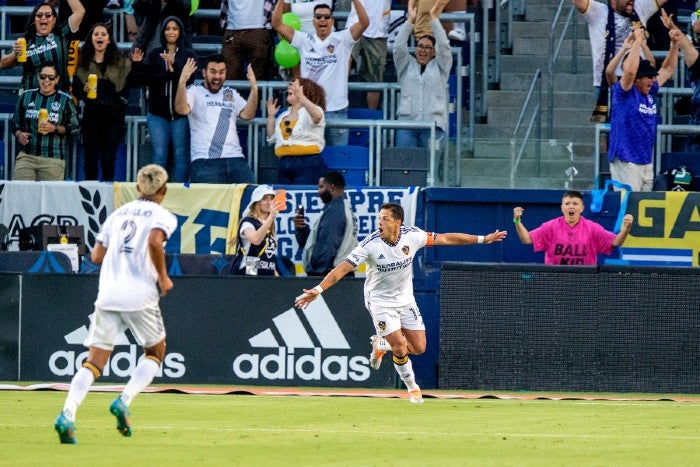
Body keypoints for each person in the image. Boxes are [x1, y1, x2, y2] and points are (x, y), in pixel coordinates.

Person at [294, 202, 507, 402]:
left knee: (419, 347)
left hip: (405, 300)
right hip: (380, 302)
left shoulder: (412, 236)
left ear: (398, 222)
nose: (380, 223)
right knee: (399, 346)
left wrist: (483, 239)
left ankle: (380, 344)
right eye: (379, 218)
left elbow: (447, 239)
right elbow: (342, 269)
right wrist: (318, 290)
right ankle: (413, 389)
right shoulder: (370, 245)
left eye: (385, 219)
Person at [54, 164, 177, 444]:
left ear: (137, 188)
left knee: (94, 362)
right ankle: (123, 400)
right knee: (156, 352)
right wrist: (163, 277)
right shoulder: (163, 215)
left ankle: (67, 414)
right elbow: (155, 241)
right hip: (140, 295)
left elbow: (96, 257)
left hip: (108, 293)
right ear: (164, 190)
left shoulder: (117, 215)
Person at [272, 0, 369, 146]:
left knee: (338, 162)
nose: (322, 20)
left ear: (332, 21)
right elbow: (277, 24)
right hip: (308, 111)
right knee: (311, 157)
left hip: (337, 111)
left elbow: (364, 23)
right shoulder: (303, 40)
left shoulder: (343, 39)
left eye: (326, 17)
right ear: (313, 22)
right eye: (318, 17)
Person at [607, 27, 678, 191]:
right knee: (628, 209)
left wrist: (674, 44)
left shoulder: (650, 90)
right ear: (638, 79)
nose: (653, 81)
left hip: (645, 159)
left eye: (654, 78)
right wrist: (638, 40)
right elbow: (630, 72)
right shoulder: (623, 92)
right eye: (649, 77)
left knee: (642, 209)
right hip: (626, 159)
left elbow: (667, 69)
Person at [572, 0, 666, 122]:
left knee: (641, 127)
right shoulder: (598, 11)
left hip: (638, 82)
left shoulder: (639, 7)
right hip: (609, 82)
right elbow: (578, 2)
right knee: (609, 132)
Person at [131, 16, 197, 183]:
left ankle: (180, 193)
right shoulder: (155, 54)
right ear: (162, 32)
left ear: (180, 31)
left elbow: (189, 80)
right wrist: (137, 64)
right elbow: (146, 79)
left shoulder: (188, 54)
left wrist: (175, 66)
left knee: (181, 156)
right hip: (158, 115)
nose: (171, 32)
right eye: (167, 28)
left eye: (175, 28)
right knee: (159, 155)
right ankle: (156, 191)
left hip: (180, 116)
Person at [174, 54, 258, 184]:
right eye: (212, 72)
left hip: (236, 159)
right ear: (204, 73)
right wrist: (182, 82)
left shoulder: (230, 93)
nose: (217, 76)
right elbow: (181, 109)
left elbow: (248, 114)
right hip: (206, 161)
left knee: (251, 198)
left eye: (221, 72)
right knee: (210, 204)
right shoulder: (194, 91)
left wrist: (254, 88)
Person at [73, 23, 140, 181]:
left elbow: (134, 82)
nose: (100, 37)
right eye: (96, 34)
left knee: (108, 159)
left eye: (103, 34)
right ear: (91, 39)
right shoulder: (82, 65)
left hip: (113, 118)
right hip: (91, 117)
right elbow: (76, 92)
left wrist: (136, 64)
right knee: (90, 159)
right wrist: (83, 89)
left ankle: (108, 197)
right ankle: (89, 195)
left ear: (109, 39)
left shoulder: (121, 63)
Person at [513, 191, 634, 265]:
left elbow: (616, 241)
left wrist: (626, 229)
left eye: (575, 204)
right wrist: (517, 221)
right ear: (562, 208)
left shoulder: (592, 228)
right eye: (567, 204)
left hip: (583, 281)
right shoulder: (551, 227)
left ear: (582, 208)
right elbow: (526, 239)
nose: (571, 207)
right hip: (554, 281)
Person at [394, 0, 452, 149]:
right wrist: (410, 21)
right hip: (407, 126)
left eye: (427, 48)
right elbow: (398, 46)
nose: (423, 50)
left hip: (433, 126)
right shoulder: (406, 65)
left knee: (431, 167)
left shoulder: (440, 67)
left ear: (433, 51)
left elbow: (444, 46)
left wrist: (433, 19)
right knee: (406, 167)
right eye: (420, 46)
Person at [0, 0, 85, 94]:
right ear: (34, 19)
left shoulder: (62, 34)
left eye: (48, 15)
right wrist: (15, 53)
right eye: (39, 15)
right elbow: (2, 64)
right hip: (30, 99)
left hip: (59, 98)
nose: (43, 18)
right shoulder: (26, 41)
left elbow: (79, 12)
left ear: (54, 20)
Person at [12, 64, 79, 181]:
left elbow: (74, 128)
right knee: (19, 195)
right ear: (38, 77)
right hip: (27, 156)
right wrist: (19, 135)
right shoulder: (26, 96)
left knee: (51, 198)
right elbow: (15, 124)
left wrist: (55, 128)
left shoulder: (65, 100)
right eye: (43, 77)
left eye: (51, 78)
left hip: (53, 158)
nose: (46, 80)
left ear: (57, 79)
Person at [294, 170, 357, 276]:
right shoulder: (339, 207)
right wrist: (302, 230)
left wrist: (315, 272)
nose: (318, 191)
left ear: (331, 187)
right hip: (336, 273)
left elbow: (328, 246)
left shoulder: (335, 211)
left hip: (329, 275)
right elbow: (318, 242)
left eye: (321, 187)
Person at [266, 78, 327, 184]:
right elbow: (271, 138)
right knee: (283, 198)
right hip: (284, 162)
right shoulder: (283, 115)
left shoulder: (313, 110)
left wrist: (302, 97)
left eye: (295, 85)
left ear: (304, 90)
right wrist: (271, 116)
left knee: (302, 198)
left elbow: (318, 117)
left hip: (307, 162)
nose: (290, 86)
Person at [346, 0, 391, 110]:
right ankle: (337, 108)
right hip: (355, 23)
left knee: (374, 80)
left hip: (378, 30)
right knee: (342, 70)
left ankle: (371, 116)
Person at [230, 185, 280, 276]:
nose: (269, 202)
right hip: (249, 266)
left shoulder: (271, 224)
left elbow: (268, 255)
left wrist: (275, 274)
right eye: (264, 199)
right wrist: (270, 218)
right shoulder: (248, 222)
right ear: (257, 202)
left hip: (267, 271)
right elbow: (255, 240)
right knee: (252, 287)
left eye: (271, 198)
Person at [219, 0, 274, 81]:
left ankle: (256, 94)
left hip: (258, 29)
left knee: (258, 78)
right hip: (232, 30)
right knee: (229, 77)